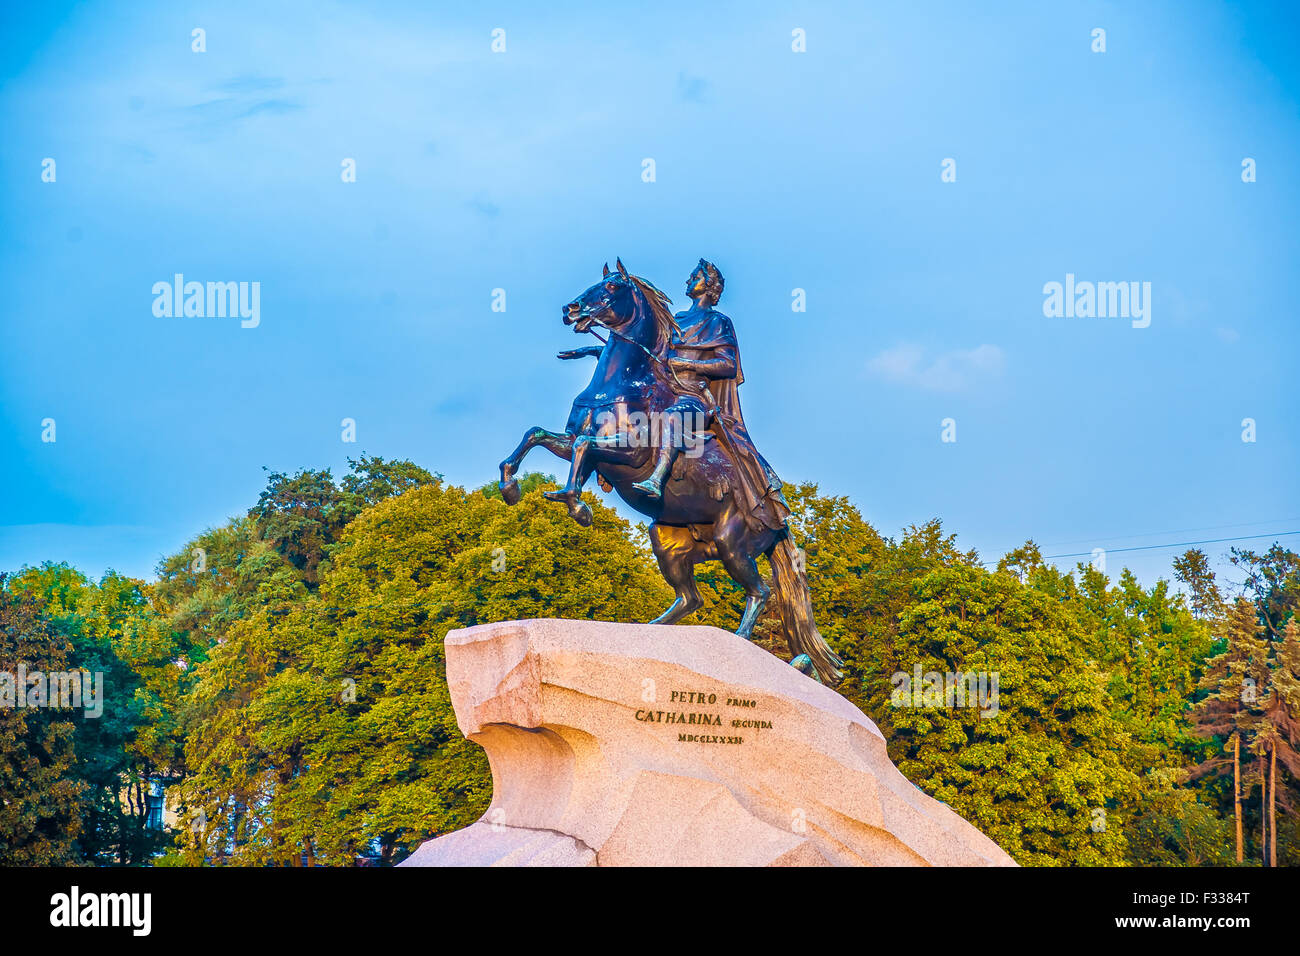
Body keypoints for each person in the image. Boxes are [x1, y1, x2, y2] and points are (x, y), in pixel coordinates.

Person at [632, 259, 789, 531]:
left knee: (670, 419)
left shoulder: (718, 322)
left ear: (711, 287)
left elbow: (727, 365)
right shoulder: (676, 320)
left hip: (693, 398)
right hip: (664, 391)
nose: (688, 280)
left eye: (695, 276)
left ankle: (657, 478)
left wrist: (687, 364)